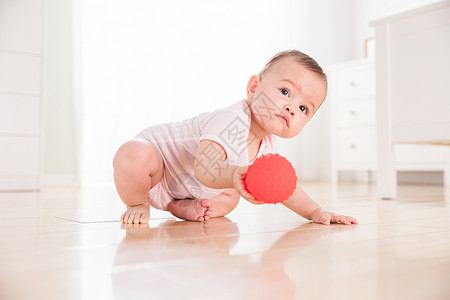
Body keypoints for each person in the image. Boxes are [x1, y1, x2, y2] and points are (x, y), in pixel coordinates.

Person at [113, 49, 359, 225]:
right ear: (254, 88)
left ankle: (182, 206)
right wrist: (235, 175)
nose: (292, 108)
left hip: (190, 188)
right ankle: (137, 203)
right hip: (161, 166)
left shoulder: (267, 145)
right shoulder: (233, 120)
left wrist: (315, 212)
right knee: (133, 155)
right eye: (285, 91)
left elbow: (287, 188)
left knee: (232, 197)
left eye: (304, 108)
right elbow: (204, 167)